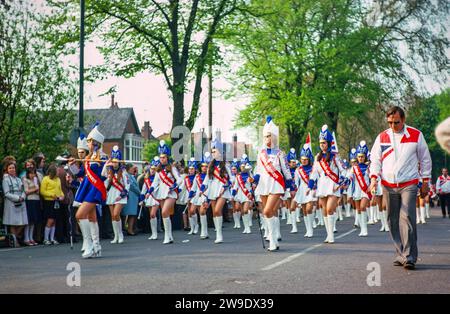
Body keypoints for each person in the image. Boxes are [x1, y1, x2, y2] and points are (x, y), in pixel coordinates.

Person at [369, 106, 432, 270]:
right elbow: (375, 160)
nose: (392, 126)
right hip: (388, 185)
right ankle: (401, 253)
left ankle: (410, 256)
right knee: (392, 219)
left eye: (396, 122)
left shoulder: (415, 135)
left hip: (409, 184)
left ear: (403, 120)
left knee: (407, 218)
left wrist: (425, 181)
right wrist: (374, 178)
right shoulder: (382, 137)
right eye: (389, 122)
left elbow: (425, 158)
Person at [253, 116, 293, 251]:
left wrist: (291, 186)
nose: (267, 139)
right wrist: (254, 180)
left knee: (268, 210)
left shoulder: (280, 153)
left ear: (274, 137)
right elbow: (258, 171)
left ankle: (272, 238)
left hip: (276, 184)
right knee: (269, 212)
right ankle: (274, 238)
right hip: (263, 184)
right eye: (265, 137)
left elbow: (286, 171)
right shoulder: (261, 154)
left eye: (269, 136)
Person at [69, 123, 108, 258]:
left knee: (79, 215)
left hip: (95, 188)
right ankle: (97, 247)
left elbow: (104, 176)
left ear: (96, 143)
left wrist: (107, 165)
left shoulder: (102, 157)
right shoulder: (88, 158)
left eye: (90, 142)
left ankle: (89, 244)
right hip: (87, 187)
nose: (88, 144)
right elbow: (80, 174)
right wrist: (72, 166)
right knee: (92, 218)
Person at [308, 125, 348, 244]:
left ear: (329, 143)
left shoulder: (335, 156)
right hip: (322, 185)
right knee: (324, 211)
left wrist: (341, 182)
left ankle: (331, 235)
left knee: (330, 209)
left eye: (324, 142)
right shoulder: (318, 157)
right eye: (320, 143)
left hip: (333, 185)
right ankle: (329, 234)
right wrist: (311, 183)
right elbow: (315, 172)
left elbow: (343, 171)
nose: (322, 145)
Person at [148, 140, 182, 244]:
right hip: (162, 193)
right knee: (165, 214)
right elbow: (155, 182)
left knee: (164, 212)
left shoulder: (172, 168)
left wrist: (175, 185)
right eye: (161, 157)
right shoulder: (158, 170)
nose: (162, 159)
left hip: (171, 193)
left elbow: (180, 179)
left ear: (167, 158)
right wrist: (151, 189)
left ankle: (167, 236)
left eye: (164, 157)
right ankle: (170, 235)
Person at [202, 138, 233, 244]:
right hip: (213, 189)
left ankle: (219, 235)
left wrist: (228, 184)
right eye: (212, 151)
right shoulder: (211, 165)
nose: (213, 153)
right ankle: (218, 233)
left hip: (223, 190)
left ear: (220, 151)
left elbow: (232, 178)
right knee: (215, 213)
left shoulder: (226, 164)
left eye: (215, 151)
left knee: (216, 211)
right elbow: (207, 179)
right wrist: (203, 187)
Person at [103, 146, 129, 244]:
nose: (114, 163)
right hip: (111, 194)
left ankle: (120, 234)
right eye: (113, 161)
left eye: (116, 161)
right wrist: (106, 163)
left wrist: (123, 194)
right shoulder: (109, 171)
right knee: (113, 217)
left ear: (119, 162)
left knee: (116, 214)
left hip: (120, 194)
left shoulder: (123, 171)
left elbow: (128, 184)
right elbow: (102, 174)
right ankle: (116, 236)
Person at [293, 143, 316, 237]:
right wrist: (294, 190)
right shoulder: (298, 170)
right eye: (302, 159)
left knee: (309, 208)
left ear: (309, 159)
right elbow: (296, 182)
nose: (304, 161)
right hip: (302, 189)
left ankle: (311, 229)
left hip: (311, 189)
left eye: (306, 159)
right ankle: (308, 230)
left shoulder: (313, 168)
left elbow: (316, 179)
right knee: (305, 211)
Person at [2, 159, 27, 247]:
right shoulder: (5, 180)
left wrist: (23, 197)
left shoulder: (19, 179)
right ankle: (15, 241)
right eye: (10, 168)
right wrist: (17, 198)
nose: (12, 170)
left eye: (13, 168)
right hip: (11, 203)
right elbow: (6, 193)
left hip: (21, 202)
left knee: (23, 222)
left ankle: (13, 238)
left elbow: (23, 190)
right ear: (7, 170)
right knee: (13, 223)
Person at [39, 164, 64, 245]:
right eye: (57, 171)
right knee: (50, 220)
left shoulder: (58, 179)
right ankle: (46, 239)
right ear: (53, 171)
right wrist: (51, 195)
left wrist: (62, 196)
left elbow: (60, 190)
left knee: (55, 220)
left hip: (57, 201)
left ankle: (52, 238)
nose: (59, 172)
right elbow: (42, 191)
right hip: (49, 202)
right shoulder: (45, 179)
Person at [140, 158, 160, 240]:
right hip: (149, 198)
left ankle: (155, 233)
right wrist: (141, 199)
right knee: (151, 216)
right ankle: (153, 233)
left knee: (153, 214)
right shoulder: (147, 179)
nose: (152, 170)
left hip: (156, 198)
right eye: (151, 168)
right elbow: (143, 190)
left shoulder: (159, 178)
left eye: (154, 169)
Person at [22, 168, 42, 246]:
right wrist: (35, 189)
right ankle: (26, 238)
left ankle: (31, 238)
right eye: (30, 173)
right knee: (29, 220)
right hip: (30, 200)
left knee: (34, 220)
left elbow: (38, 190)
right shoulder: (25, 180)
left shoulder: (35, 179)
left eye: (33, 173)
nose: (32, 175)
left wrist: (36, 189)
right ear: (27, 174)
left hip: (36, 200)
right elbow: (26, 191)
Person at [122, 163, 140, 235]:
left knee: (132, 214)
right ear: (128, 169)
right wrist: (139, 192)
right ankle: (128, 229)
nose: (134, 170)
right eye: (133, 168)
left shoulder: (131, 175)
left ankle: (129, 228)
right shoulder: (127, 175)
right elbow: (132, 186)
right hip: (130, 196)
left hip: (133, 197)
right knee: (129, 213)